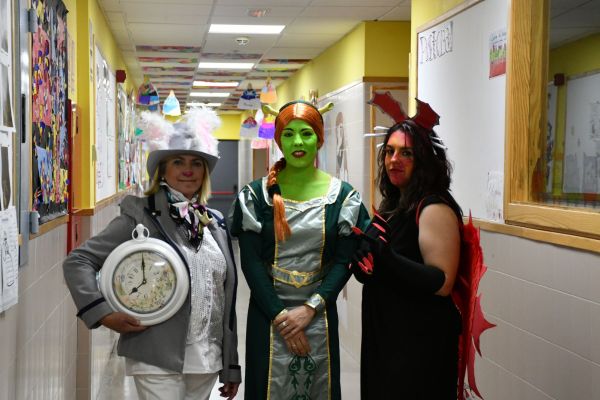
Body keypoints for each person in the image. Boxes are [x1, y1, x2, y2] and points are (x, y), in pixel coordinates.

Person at [63, 108, 241, 400]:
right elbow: (79, 261)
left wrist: (230, 365)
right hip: (156, 354)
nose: (188, 170)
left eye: (196, 163)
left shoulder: (215, 223)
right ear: (163, 170)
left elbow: (225, 297)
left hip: (207, 357)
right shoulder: (140, 214)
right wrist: (102, 313)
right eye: (178, 162)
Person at [228, 100, 369, 400]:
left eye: (306, 133)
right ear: (279, 140)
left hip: (320, 313)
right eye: (289, 134)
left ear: (319, 138)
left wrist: (310, 309)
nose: (298, 142)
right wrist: (282, 318)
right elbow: (251, 262)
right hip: (267, 312)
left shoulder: (343, 197)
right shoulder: (256, 196)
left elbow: (344, 261)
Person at [351, 101, 462, 399]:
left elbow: (441, 282)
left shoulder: (433, 207)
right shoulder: (395, 205)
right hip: (389, 337)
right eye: (389, 151)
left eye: (406, 153)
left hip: (418, 343)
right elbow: (387, 269)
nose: (394, 160)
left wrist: (386, 257)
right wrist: (364, 264)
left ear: (423, 159)